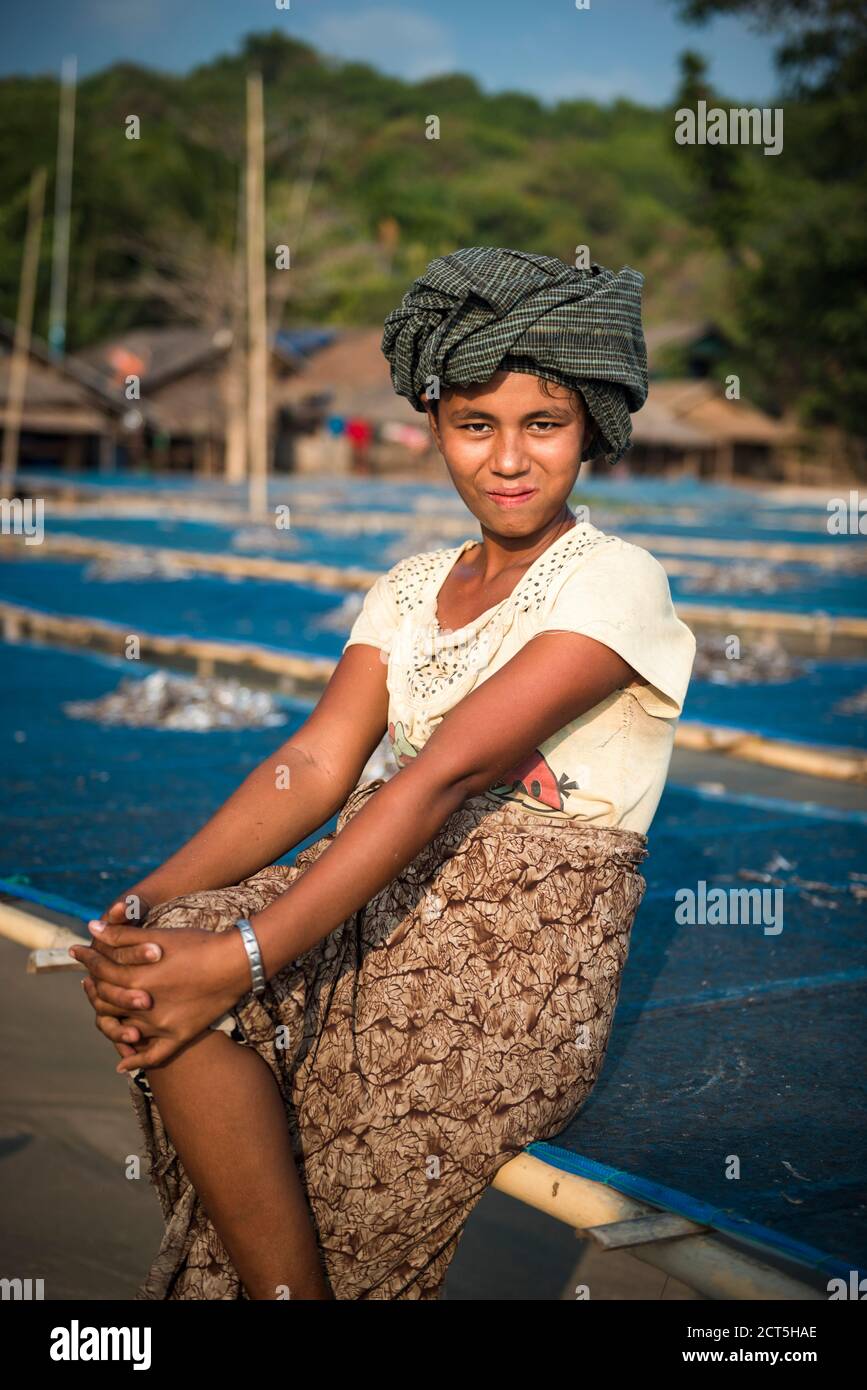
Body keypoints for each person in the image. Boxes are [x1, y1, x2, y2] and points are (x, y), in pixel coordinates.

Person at [73, 246, 697, 1301]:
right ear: (434, 428)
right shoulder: (408, 589)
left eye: (542, 424)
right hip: (378, 889)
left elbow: (445, 777)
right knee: (151, 973)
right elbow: (317, 762)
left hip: (516, 956)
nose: (508, 458)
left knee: (234, 994)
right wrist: (149, 901)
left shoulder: (614, 579)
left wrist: (247, 953)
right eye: (475, 424)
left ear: (589, 427)